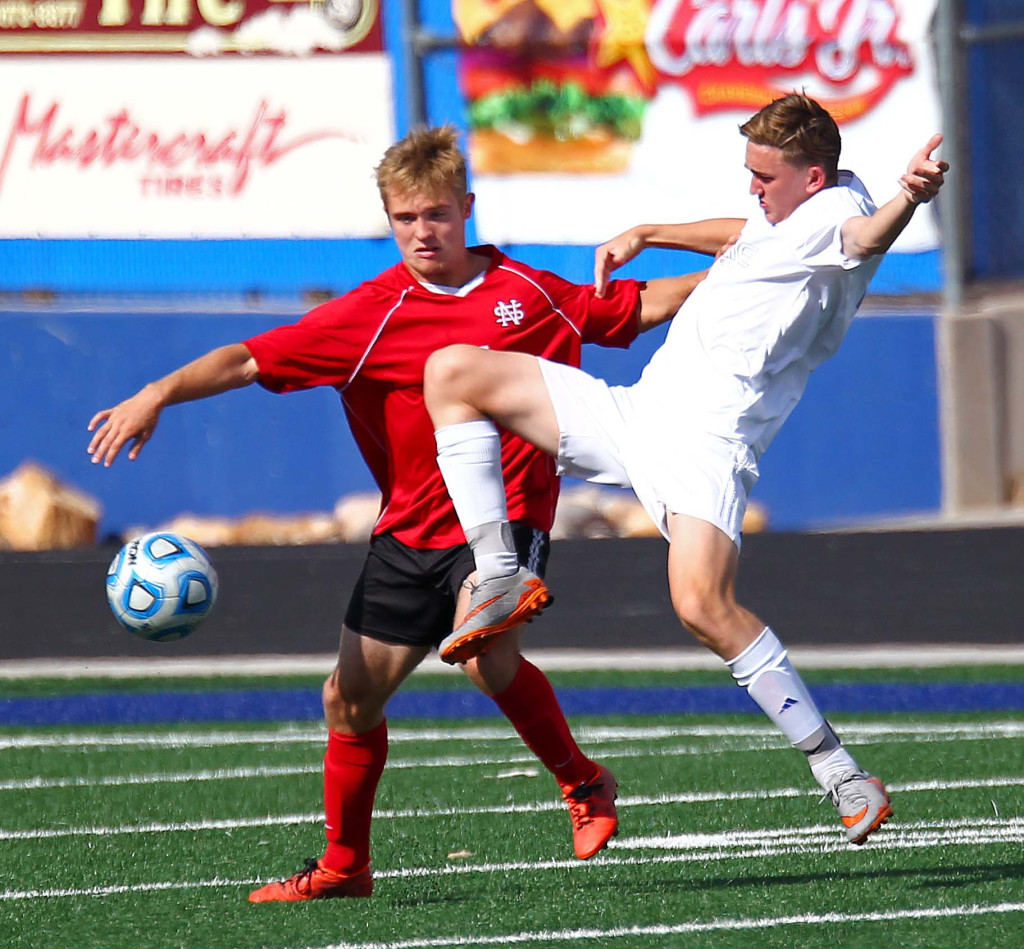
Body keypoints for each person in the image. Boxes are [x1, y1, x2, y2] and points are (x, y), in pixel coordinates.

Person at [86, 125, 704, 901]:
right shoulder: (369, 314)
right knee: (348, 700)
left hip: (506, 518)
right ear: (388, 219)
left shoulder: (529, 292)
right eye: (406, 218)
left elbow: (635, 308)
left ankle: (583, 785)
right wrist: (155, 395)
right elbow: (248, 358)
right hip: (410, 530)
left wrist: (743, 274)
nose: (423, 232)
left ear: (467, 208)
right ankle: (345, 867)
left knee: (484, 655)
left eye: (438, 215)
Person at [422, 94, 949, 845]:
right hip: (637, 414)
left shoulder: (841, 216)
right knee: (452, 372)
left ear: (813, 175)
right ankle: (498, 570)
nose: (752, 189)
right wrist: (650, 232)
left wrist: (911, 194)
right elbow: (747, 236)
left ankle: (843, 775)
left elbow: (865, 238)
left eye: (764, 176)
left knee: (703, 606)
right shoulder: (788, 216)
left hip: (707, 443)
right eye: (749, 172)